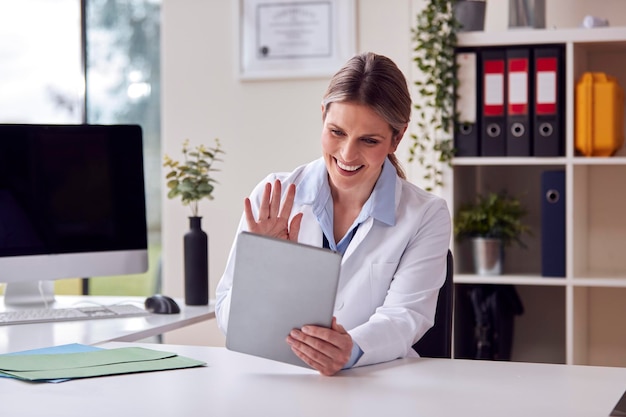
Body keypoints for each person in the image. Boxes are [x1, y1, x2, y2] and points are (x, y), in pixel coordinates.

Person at [215, 52, 451, 376]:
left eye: (369, 140)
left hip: (376, 383)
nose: (347, 154)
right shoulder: (273, 197)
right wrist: (264, 268)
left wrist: (350, 349)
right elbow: (227, 316)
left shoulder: (426, 215)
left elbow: (406, 316)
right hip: (281, 382)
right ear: (323, 115)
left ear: (397, 137)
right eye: (337, 132)